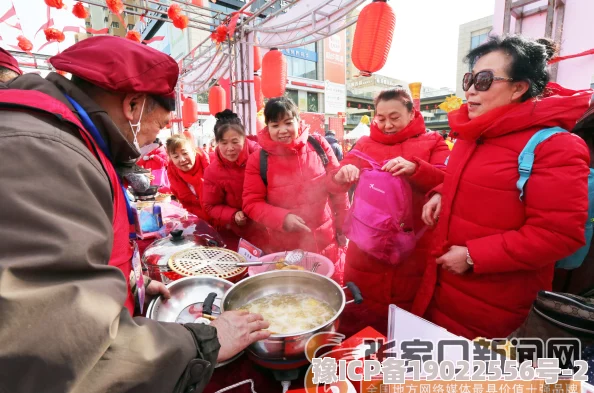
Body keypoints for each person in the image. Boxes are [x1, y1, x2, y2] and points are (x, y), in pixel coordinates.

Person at [0, 36, 269, 393]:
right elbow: (65, 350)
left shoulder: (61, 137)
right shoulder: (43, 151)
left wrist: (130, 285)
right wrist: (202, 341)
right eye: (157, 128)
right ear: (133, 106)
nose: (152, 143)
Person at [414, 36, 592, 340]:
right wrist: (441, 192)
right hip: (441, 288)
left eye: (484, 80)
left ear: (518, 88)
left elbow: (559, 235)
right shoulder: (473, 136)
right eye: (469, 78)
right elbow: (476, 183)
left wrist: (473, 256)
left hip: (496, 307)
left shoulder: (556, 146)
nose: (470, 89)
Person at [332, 87, 449, 335]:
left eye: (394, 117)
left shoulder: (434, 142)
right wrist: (343, 173)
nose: (387, 125)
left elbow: (448, 180)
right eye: (381, 118)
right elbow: (338, 175)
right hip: (366, 245)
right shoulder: (364, 143)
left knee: (408, 321)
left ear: (411, 113)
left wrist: (416, 168)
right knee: (363, 316)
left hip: (414, 247)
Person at [242, 97, 349, 270]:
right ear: (267, 127)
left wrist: (344, 226)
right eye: (275, 125)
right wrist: (282, 218)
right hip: (286, 244)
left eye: (288, 123)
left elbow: (338, 190)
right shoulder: (258, 159)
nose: (282, 130)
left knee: (329, 287)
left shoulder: (318, 145)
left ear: (298, 122)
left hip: (326, 239)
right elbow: (251, 203)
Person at [202, 110, 269, 251]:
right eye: (224, 143)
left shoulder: (262, 156)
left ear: (244, 138)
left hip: (270, 229)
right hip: (240, 234)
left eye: (235, 142)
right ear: (217, 142)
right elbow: (210, 206)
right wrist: (232, 214)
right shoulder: (212, 171)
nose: (230, 148)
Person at [167, 134, 211, 221]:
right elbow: (186, 205)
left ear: (194, 152)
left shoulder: (211, 166)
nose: (182, 159)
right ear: (171, 159)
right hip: (198, 225)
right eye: (176, 157)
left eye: (185, 153)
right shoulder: (174, 177)